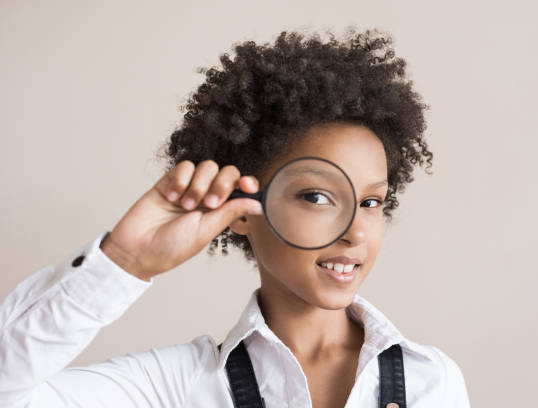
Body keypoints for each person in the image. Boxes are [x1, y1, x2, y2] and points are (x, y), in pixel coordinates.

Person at [0, 28, 470, 407]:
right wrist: (124, 262)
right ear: (242, 210)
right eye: (317, 197)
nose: (355, 232)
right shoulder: (178, 386)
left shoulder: (432, 381)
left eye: (371, 202)